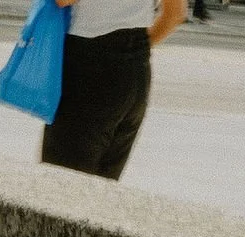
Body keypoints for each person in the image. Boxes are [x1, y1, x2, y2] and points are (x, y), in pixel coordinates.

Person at [43, 0, 186, 184]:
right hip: (136, 69)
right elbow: (175, 14)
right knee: (100, 194)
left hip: (90, 67)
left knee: (60, 190)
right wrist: (132, 51)